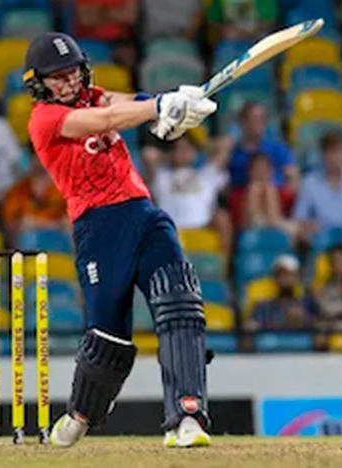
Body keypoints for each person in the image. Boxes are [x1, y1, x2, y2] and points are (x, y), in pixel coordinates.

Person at [24, 32, 217, 448]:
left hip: (143, 213)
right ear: (39, 82)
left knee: (180, 304)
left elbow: (121, 104)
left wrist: (167, 109)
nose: (69, 82)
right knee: (108, 338)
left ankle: (186, 418)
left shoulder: (95, 95)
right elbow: (104, 121)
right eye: (57, 77)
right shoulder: (44, 119)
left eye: (72, 71)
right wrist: (157, 107)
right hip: (98, 227)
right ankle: (80, 413)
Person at [142, 134, 232, 255]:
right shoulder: (162, 176)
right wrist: (169, 154)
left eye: (188, 148)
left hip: (202, 228)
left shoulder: (206, 174)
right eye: (179, 148)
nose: (183, 152)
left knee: (222, 217)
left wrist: (203, 146)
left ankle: (224, 268)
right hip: (172, 231)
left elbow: (226, 143)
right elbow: (148, 154)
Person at [223, 102, 298, 214]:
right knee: (255, 190)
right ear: (243, 122)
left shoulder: (277, 147)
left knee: (267, 190)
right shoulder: (233, 152)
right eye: (253, 119)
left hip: (276, 198)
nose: (258, 123)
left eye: (262, 119)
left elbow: (293, 177)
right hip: (244, 201)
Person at [1, 154, 69, 247]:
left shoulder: (65, 193)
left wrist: (37, 223)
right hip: (27, 251)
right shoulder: (16, 193)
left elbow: (69, 223)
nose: (42, 163)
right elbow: (9, 227)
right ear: (31, 161)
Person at [242, 254, 318, 330]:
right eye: (282, 274)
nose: (286, 279)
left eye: (290, 274)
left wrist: (303, 320)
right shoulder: (264, 307)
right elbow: (249, 327)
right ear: (275, 278)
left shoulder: (306, 303)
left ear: (297, 277)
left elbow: (319, 328)